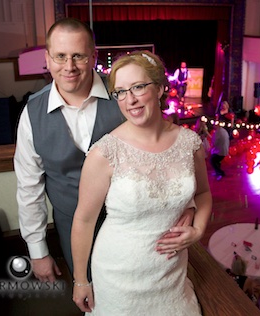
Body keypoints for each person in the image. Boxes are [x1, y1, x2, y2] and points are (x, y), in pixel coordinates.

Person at [14, 18, 194, 283]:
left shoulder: (126, 93)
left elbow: (165, 150)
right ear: (48, 59)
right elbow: (29, 187)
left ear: (93, 55)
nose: (69, 66)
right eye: (60, 56)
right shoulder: (32, 113)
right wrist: (38, 252)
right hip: (71, 227)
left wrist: (187, 207)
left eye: (78, 56)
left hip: (137, 226)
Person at [70, 50, 212, 315]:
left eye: (138, 87)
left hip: (171, 275)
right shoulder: (105, 153)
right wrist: (81, 280)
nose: (130, 100)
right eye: (121, 92)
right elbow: (84, 220)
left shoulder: (190, 143)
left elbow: (203, 193)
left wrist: (198, 230)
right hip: (118, 278)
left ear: (159, 88)